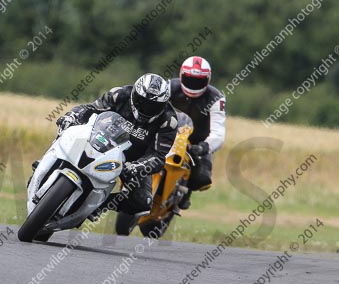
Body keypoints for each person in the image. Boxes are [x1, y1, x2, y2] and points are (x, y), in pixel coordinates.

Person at [57, 73, 177, 216]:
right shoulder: (119, 94)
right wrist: (72, 116)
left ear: (163, 105)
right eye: (142, 102)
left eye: (153, 106)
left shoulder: (169, 121)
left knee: (142, 203)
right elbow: (90, 108)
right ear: (134, 94)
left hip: (134, 161)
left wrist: (138, 166)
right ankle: (49, 162)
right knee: (68, 128)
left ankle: (95, 206)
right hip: (102, 140)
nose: (146, 108)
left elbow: (158, 156)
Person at [169, 56, 226, 209]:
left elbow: (219, 132)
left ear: (207, 80)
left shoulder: (216, 99)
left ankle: (184, 192)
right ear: (181, 75)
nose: (193, 85)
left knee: (202, 178)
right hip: (167, 133)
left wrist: (204, 147)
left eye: (198, 81)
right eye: (190, 80)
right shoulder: (168, 87)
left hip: (198, 141)